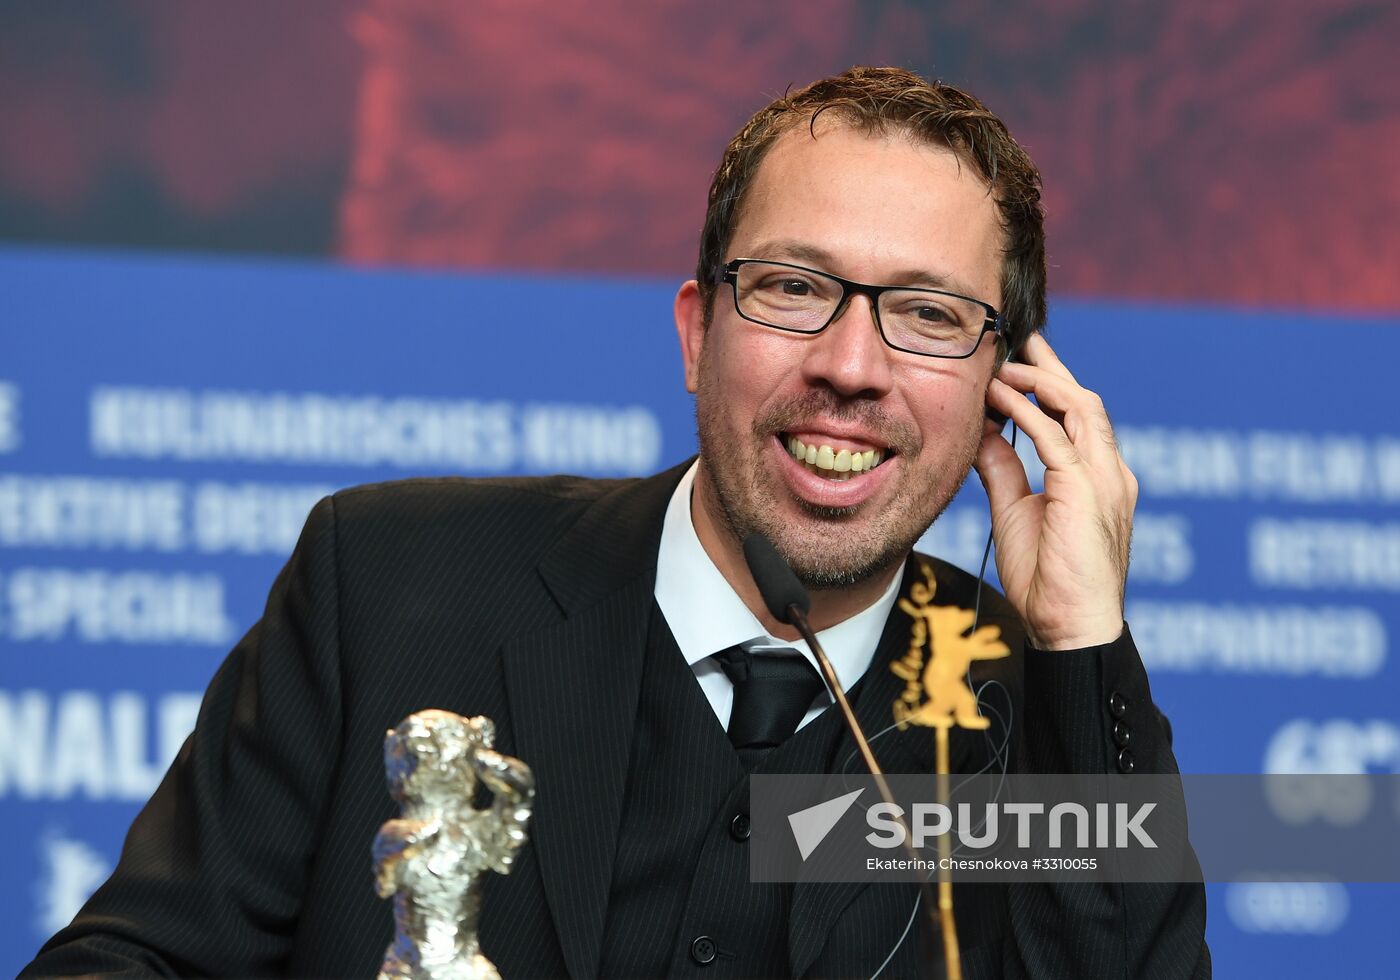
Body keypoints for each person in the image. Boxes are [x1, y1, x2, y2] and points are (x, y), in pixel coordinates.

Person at [23, 66, 1208, 978]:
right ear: (698, 333)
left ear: (1003, 384)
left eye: (927, 313)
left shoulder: (1021, 708)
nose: (852, 365)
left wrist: (1076, 644)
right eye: (794, 289)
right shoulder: (380, 582)